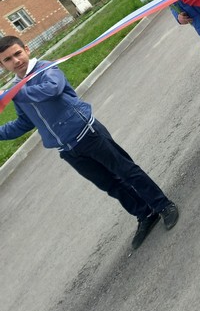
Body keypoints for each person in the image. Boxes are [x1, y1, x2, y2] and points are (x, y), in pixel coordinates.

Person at [0, 35, 179, 250]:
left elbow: (52, 89)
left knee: (127, 171)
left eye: (17, 53)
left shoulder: (45, 69)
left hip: (88, 133)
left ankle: (163, 205)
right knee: (110, 184)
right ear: (2, 65)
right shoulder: (16, 90)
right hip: (68, 150)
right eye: (8, 59)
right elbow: (24, 122)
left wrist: (13, 93)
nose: (16, 60)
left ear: (27, 49)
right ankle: (145, 214)